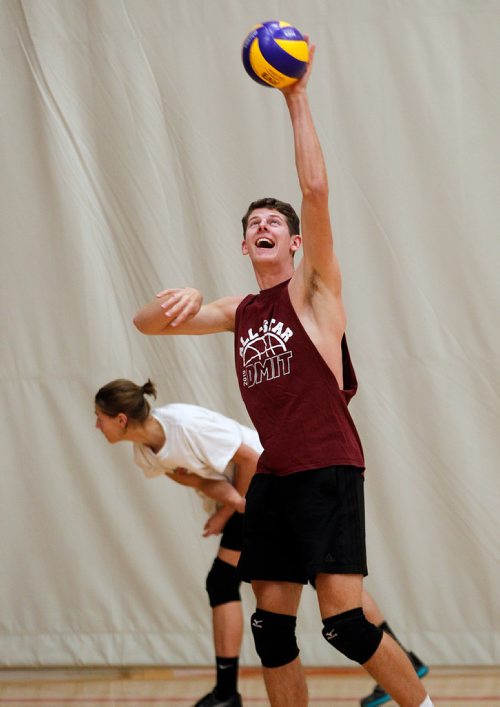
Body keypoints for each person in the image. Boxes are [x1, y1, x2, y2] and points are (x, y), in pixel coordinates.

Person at [133, 40, 433, 707]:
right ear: (244, 244)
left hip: (327, 468)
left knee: (346, 623)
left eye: (274, 221)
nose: (263, 225)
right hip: (272, 477)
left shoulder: (314, 290)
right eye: (253, 223)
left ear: (293, 242)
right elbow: (149, 325)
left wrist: (296, 96)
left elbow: (316, 190)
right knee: (271, 626)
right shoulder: (239, 309)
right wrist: (170, 299)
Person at [94, 377, 263, 707]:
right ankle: (227, 694)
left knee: (229, 581)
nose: (96, 425)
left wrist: (227, 513)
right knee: (224, 582)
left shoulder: (185, 424)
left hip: (270, 479)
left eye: (100, 417)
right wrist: (228, 505)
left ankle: (227, 695)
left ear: (121, 419)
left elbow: (251, 459)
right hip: (248, 495)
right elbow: (200, 480)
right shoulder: (146, 455)